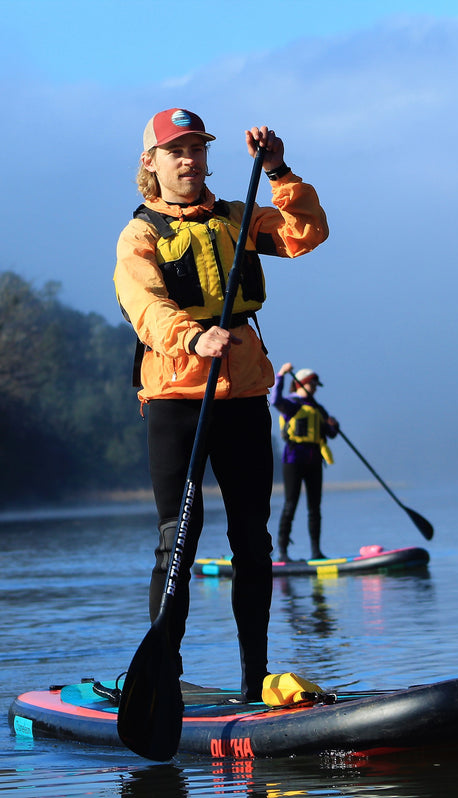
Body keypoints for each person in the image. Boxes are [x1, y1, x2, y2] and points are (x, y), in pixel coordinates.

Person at [113, 108, 328, 702]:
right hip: (177, 398)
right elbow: (144, 304)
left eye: (198, 150)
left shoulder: (238, 215)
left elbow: (305, 234)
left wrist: (279, 169)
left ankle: (255, 677)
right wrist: (191, 336)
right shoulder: (141, 234)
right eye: (176, 151)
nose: (189, 161)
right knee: (178, 537)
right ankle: (165, 677)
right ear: (152, 163)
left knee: (252, 541)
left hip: (243, 396)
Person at [273, 362, 339, 561]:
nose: (315, 389)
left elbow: (332, 433)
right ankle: (283, 553)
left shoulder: (319, 409)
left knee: (315, 508)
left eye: (316, 386)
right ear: (301, 384)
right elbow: (275, 400)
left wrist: (334, 425)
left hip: (314, 461)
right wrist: (281, 376)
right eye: (312, 385)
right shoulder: (291, 404)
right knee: (290, 505)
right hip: (293, 459)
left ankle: (316, 552)